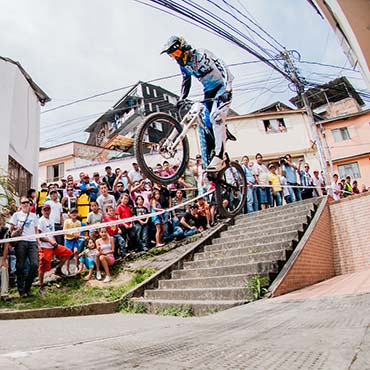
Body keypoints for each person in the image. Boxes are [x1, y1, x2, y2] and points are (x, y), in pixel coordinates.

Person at [161, 36, 233, 172]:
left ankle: (220, 155)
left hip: (221, 89)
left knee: (215, 116)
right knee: (202, 122)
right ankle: (211, 155)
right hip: (209, 92)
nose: (175, 57)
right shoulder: (184, 66)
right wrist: (182, 98)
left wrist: (228, 88)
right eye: (172, 55)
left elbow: (222, 65)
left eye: (175, 53)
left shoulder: (202, 53)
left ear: (183, 47)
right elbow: (186, 81)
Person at [37, 204, 72, 295]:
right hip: (45, 246)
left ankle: (58, 269)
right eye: (45, 210)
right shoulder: (41, 221)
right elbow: (39, 236)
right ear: (42, 211)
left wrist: (54, 242)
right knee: (43, 266)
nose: (47, 211)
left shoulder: (51, 220)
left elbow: (51, 233)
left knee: (68, 253)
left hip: (53, 245)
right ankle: (41, 285)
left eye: (48, 209)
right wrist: (50, 241)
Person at [9, 196, 39, 298]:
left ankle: (28, 287)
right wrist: (11, 242)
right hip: (21, 242)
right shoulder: (16, 215)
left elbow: (36, 230)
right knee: (20, 266)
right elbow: (11, 229)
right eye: (23, 203)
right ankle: (21, 291)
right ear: (20, 204)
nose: (26, 204)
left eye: (28, 202)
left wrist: (38, 243)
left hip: (32, 242)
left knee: (34, 265)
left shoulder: (34, 216)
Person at [63, 208, 81, 274]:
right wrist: (73, 233)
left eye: (75, 212)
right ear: (70, 214)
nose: (74, 214)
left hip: (75, 239)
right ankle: (67, 269)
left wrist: (77, 235)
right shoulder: (66, 222)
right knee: (68, 254)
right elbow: (65, 231)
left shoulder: (78, 222)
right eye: (72, 213)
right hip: (68, 240)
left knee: (76, 251)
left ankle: (77, 266)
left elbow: (79, 232)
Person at [0, 214, 10, 301]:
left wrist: (3, 260)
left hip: (1, 256)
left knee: (4, 269)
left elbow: (6, 245)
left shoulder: (5, 230)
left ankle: (4, 293)